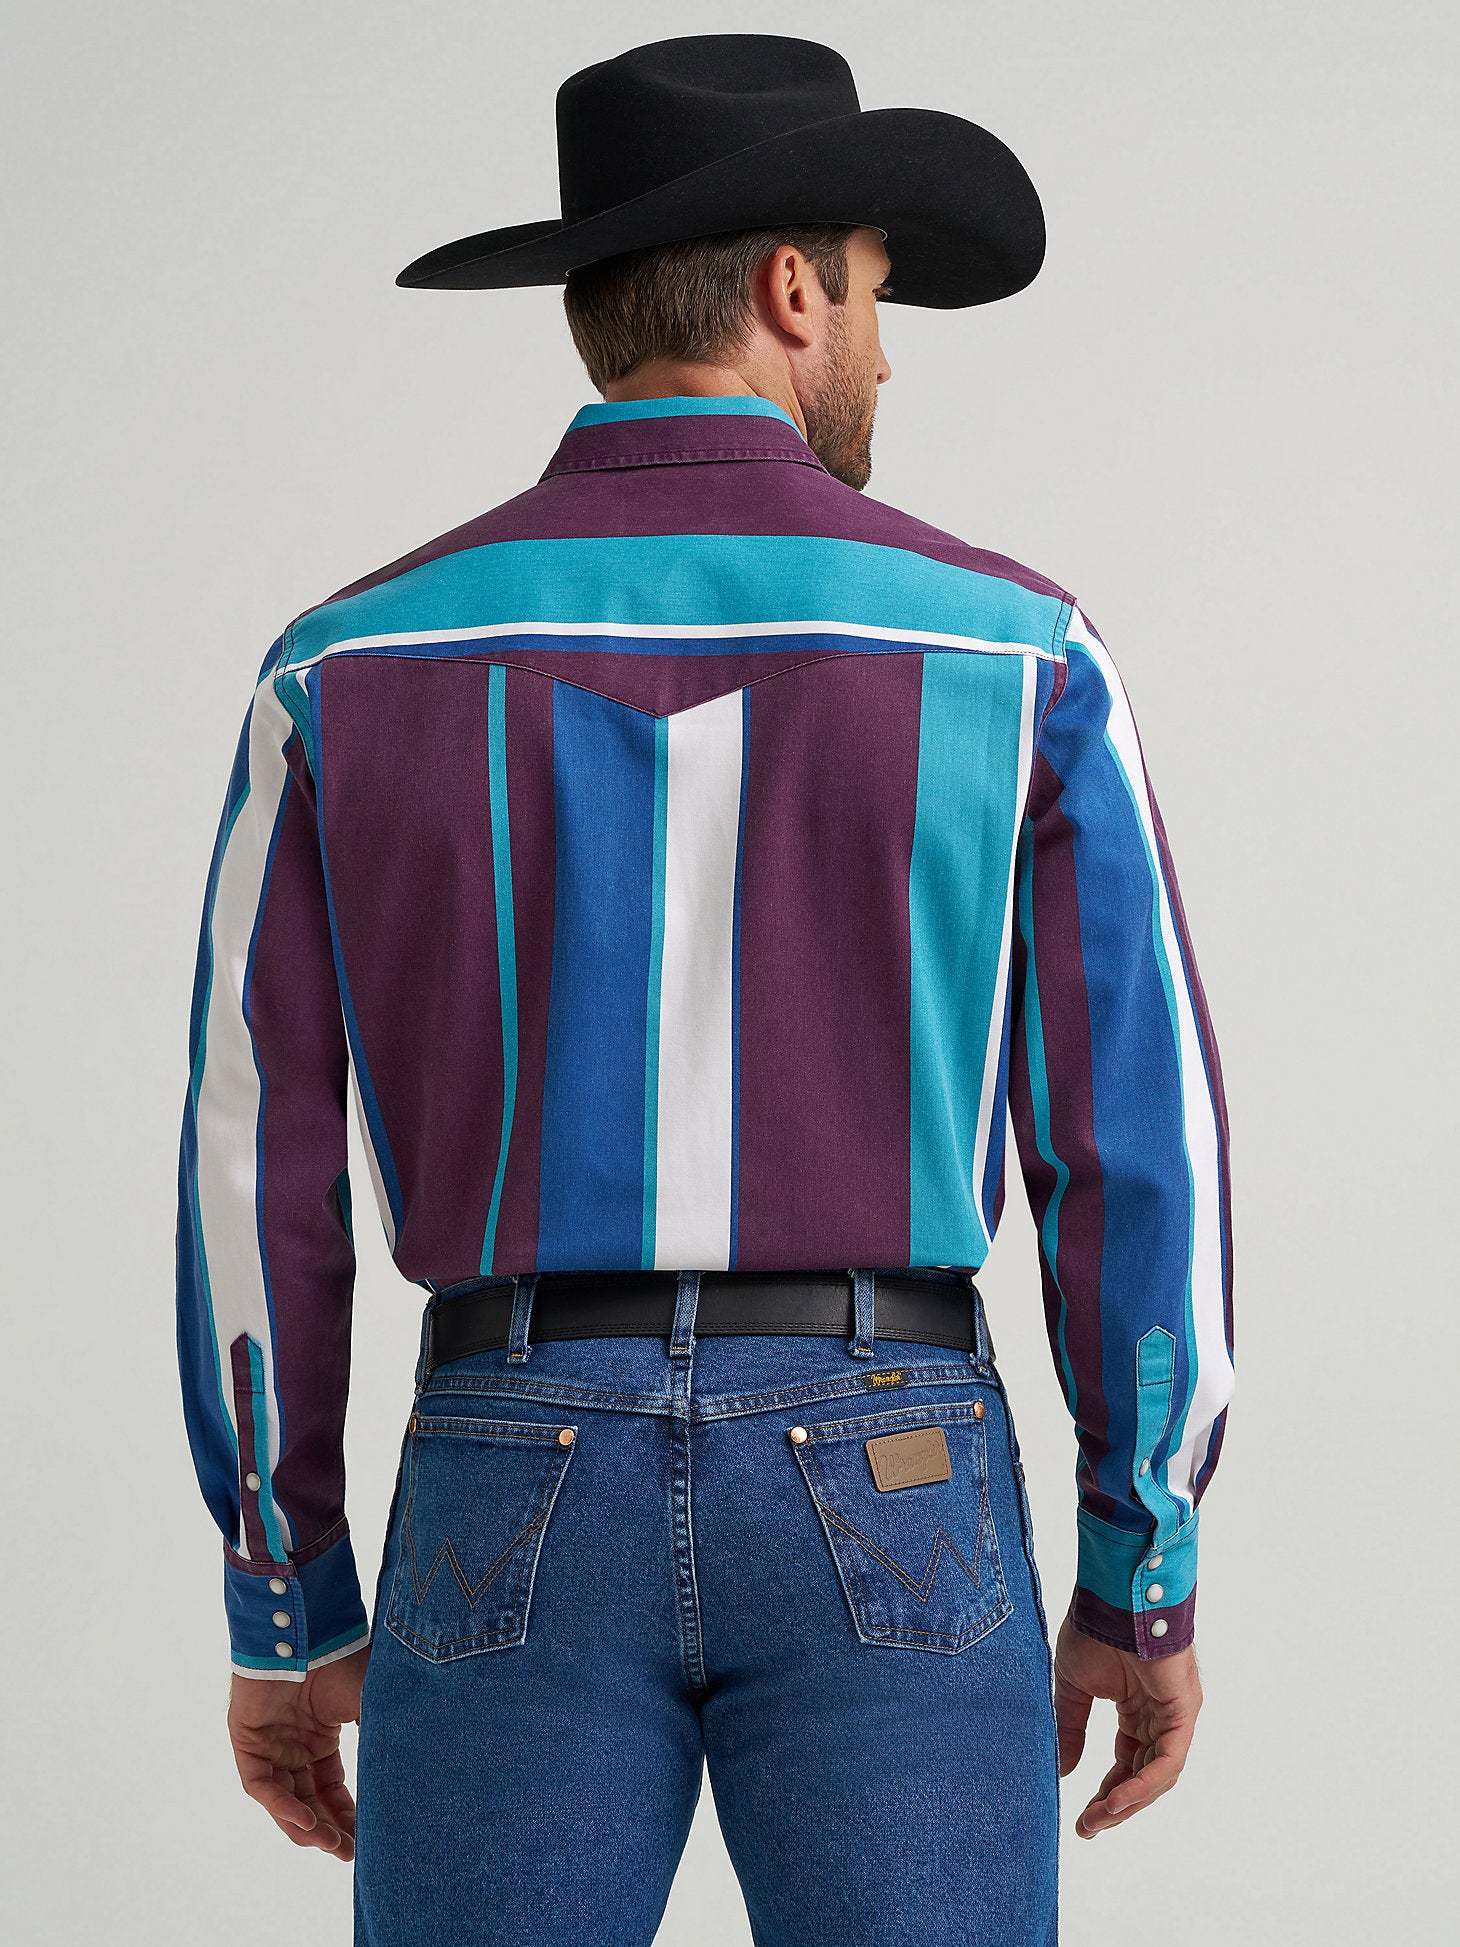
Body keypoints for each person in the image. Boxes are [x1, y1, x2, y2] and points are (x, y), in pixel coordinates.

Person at [174, 32, 1235, 1946]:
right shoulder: (1024, 660)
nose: (888, 357)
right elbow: (1132, 1146)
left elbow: (256, 1171)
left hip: (509, 1450)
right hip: (892, 1451)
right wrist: (1139, 1561)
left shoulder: (339, 673)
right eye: (881, 296)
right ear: (792, 290)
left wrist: (282, 1589)